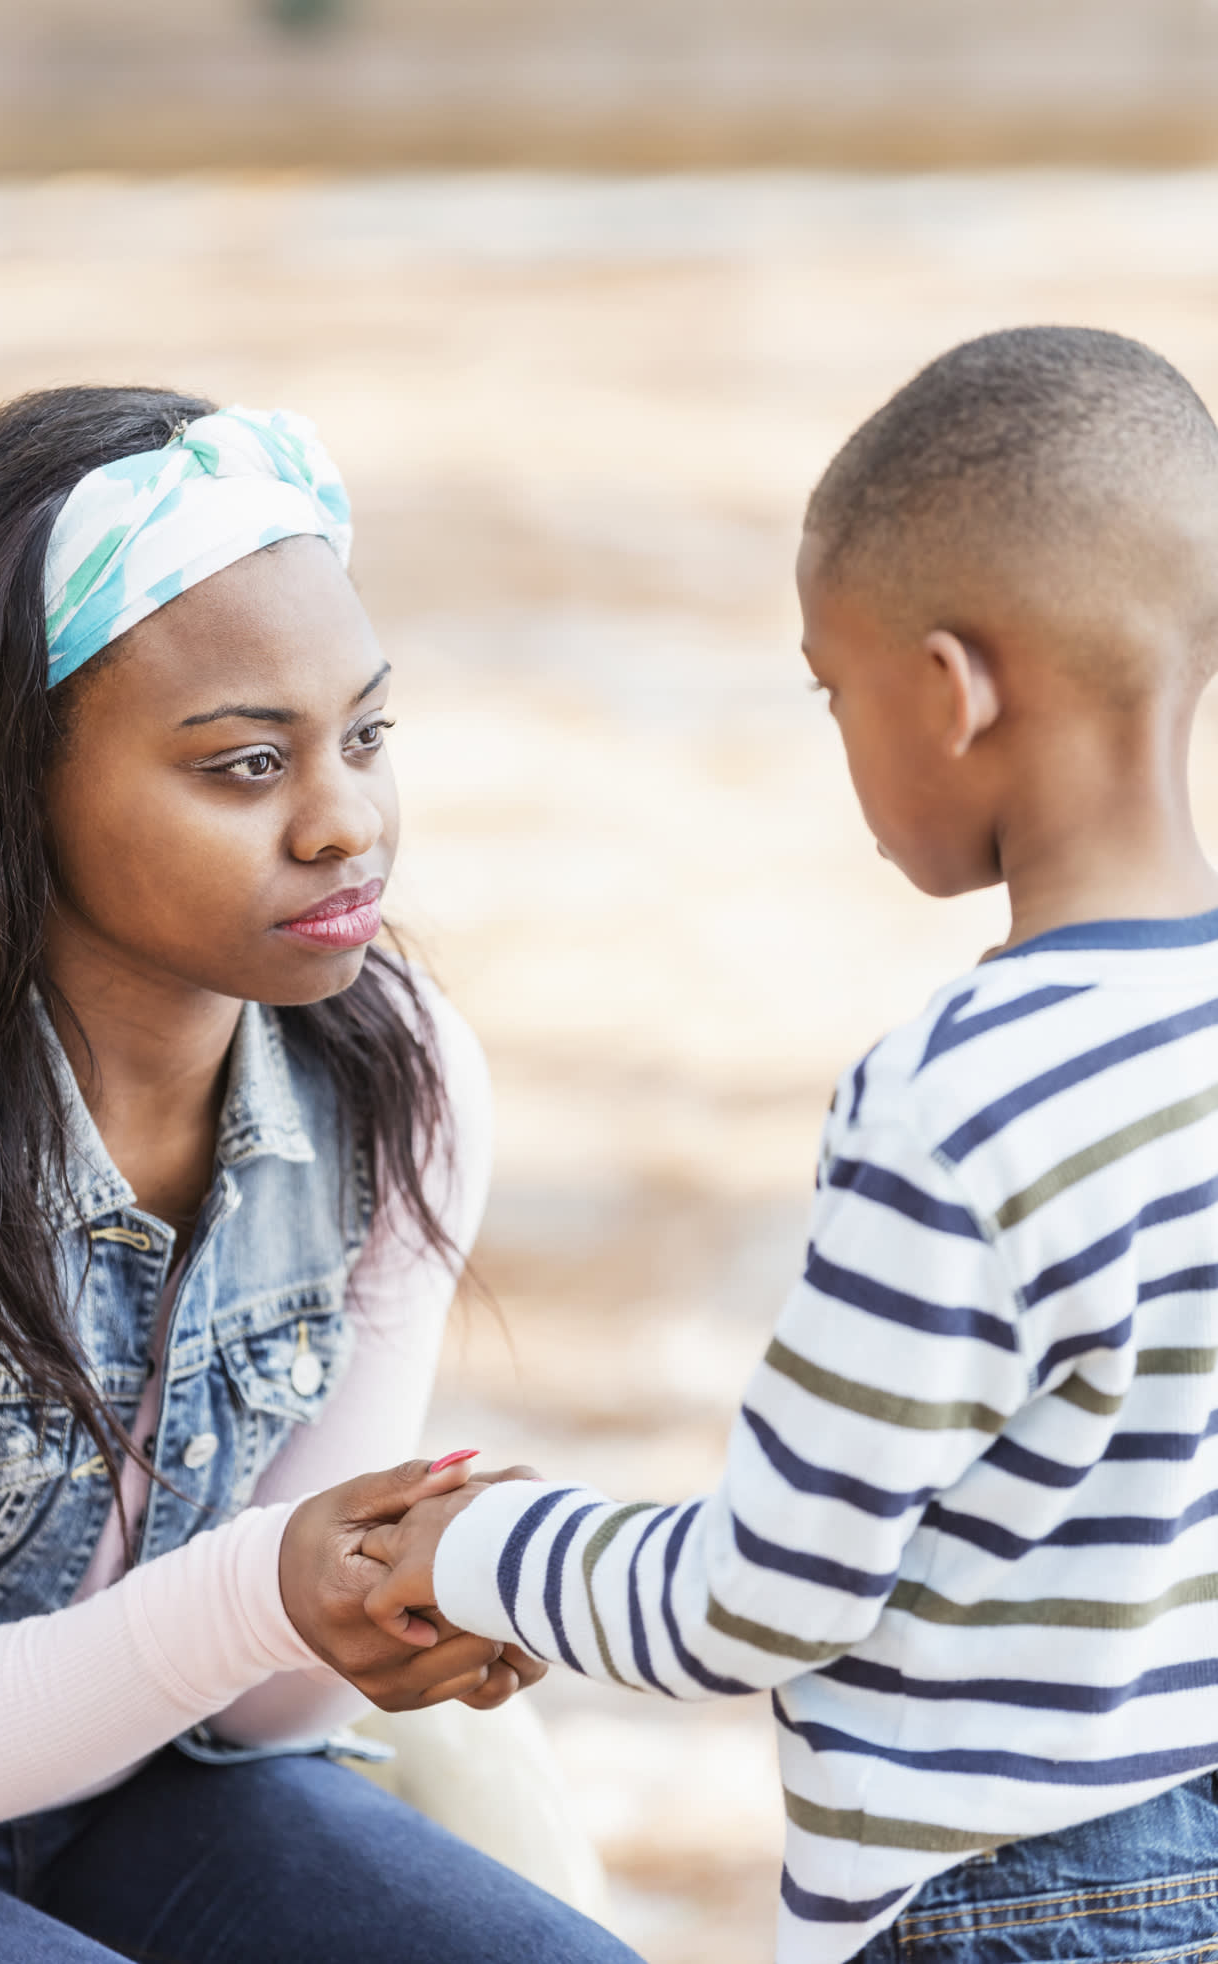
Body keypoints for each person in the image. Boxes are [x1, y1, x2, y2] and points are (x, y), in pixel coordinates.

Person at [0, 386, 638, 1964]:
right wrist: (271, 1581)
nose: (347, 824)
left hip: (136, 1787)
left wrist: (402, 1582)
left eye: (367, 735)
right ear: (7, 789)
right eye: (246, 765)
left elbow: (266, 1707)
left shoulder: (392, 1081)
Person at [358, 326, 1218, 1962]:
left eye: (835, 690)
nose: (838, 744)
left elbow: (762, 1597)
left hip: (1009, 1905)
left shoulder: (960, 1103)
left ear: (954, 693)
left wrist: (483, 1547)